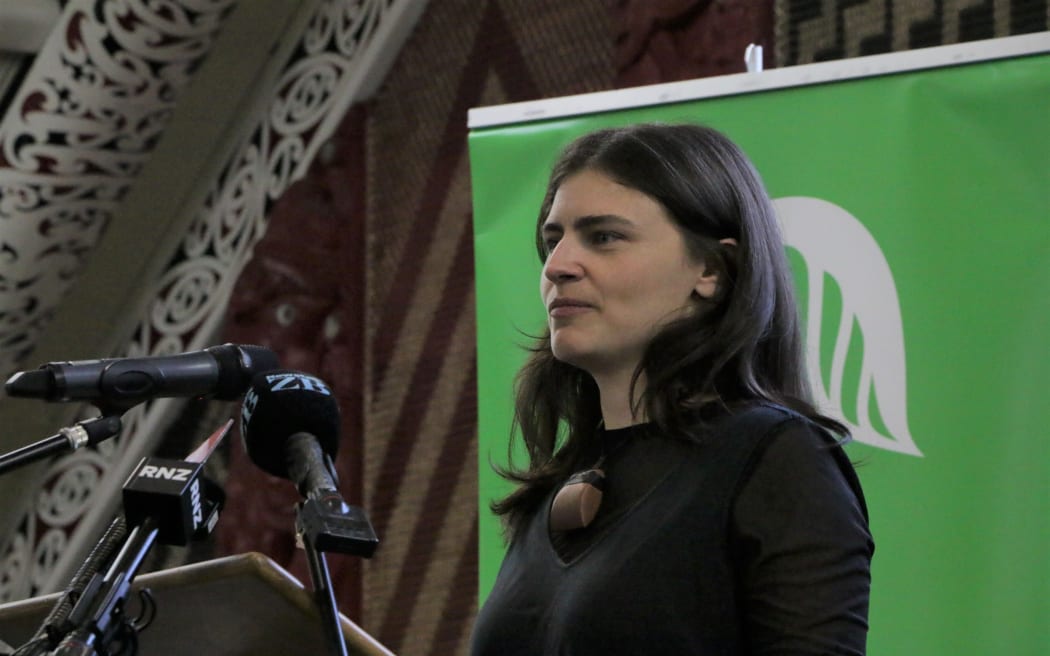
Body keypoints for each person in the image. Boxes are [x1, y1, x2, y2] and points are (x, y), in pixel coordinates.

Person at [470, 123, 874, 655]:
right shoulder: (550, 493)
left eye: (604, 236)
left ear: (710, 269)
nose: (558, 266)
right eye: (553, 241)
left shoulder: (775, 458)